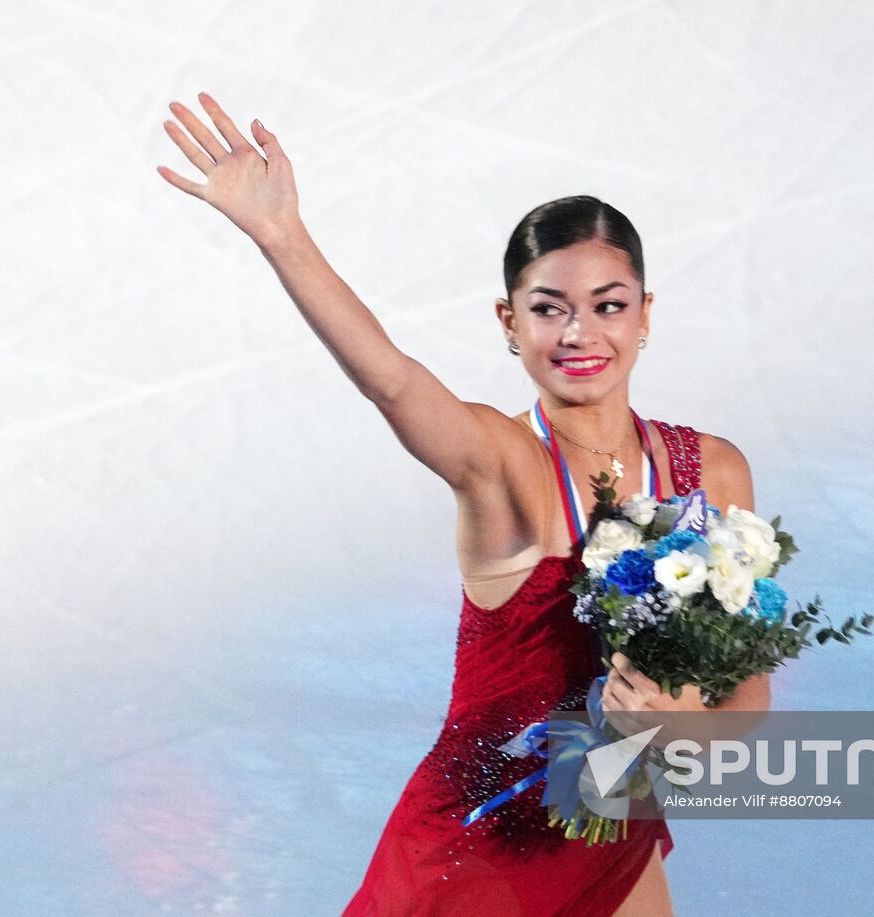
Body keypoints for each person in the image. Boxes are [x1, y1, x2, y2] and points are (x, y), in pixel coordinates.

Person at [158, 91, 772, 917]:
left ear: (645, 315)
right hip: (475, 854)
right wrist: (283, 235)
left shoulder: (713, 474)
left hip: (610, 833)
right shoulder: (501, 463)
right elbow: (392, 379)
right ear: (509, 323)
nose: (580, 334)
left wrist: (682, 721)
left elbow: (747, 696)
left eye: (608, 306)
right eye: (549, 309)